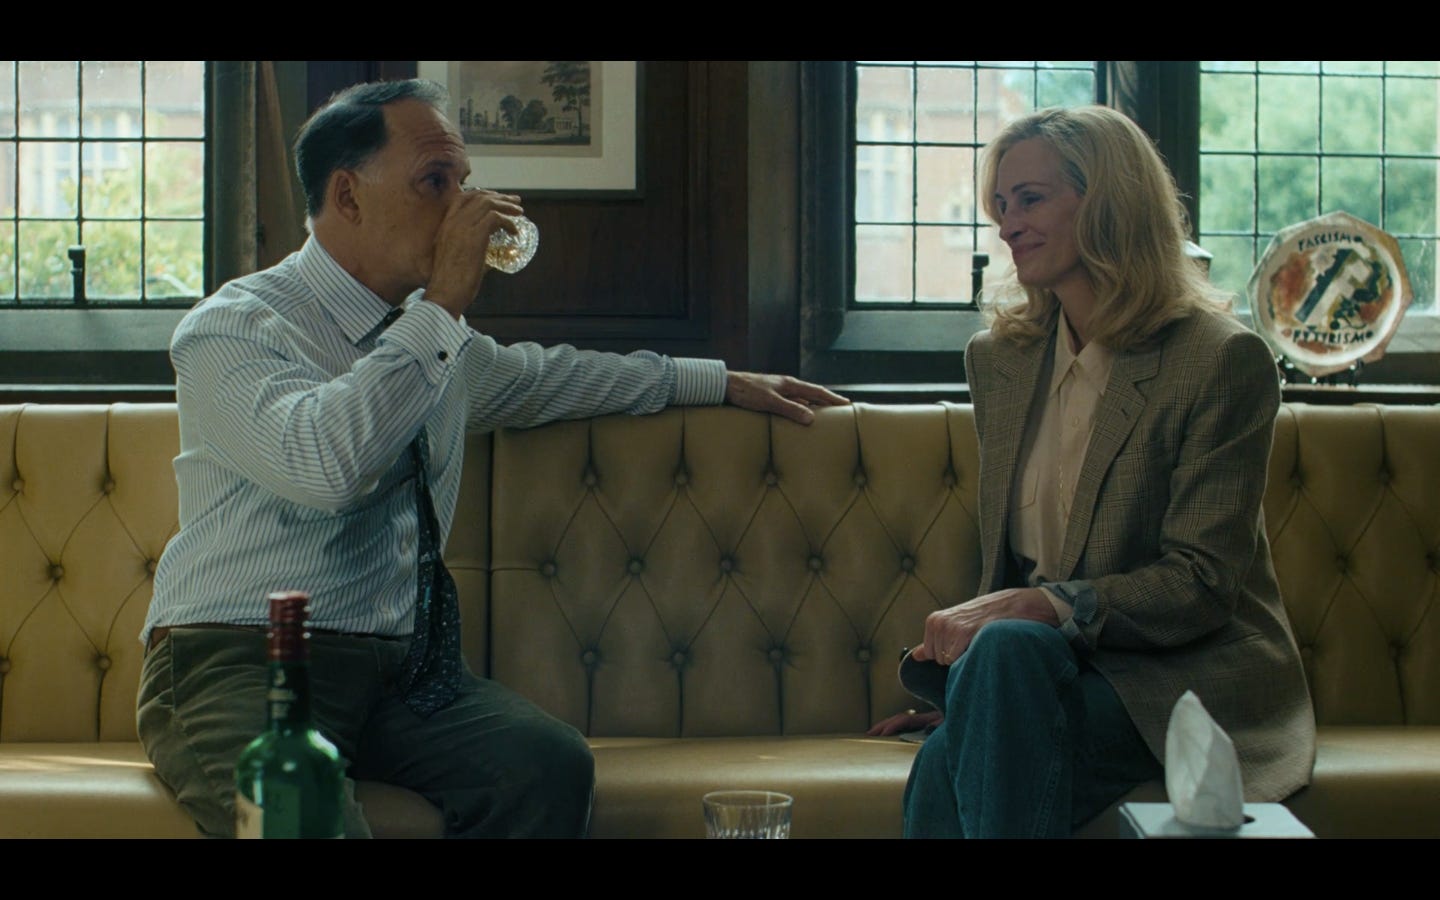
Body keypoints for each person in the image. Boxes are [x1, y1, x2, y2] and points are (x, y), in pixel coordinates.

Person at [136, 77, 849, 839]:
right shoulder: (235, 327)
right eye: (435, 182)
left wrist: (719, 379)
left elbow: (554, 376)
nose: (466, 208)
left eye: (464, 182)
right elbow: (324, 466)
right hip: (240, 659)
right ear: (347, 196)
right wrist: (442, 303)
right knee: (300, 817)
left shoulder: (438, 346)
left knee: (544, 764)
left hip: (400, 676)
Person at [868, 105, 1315, 838]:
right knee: (988, 687)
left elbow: (1201, 583)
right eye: (1001, 205)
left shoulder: (1218, 359)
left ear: (1109, 201)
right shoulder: (1001, 359)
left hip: (1179, 676)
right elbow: (1012, 572)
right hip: (1034, 669)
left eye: (1030, 199)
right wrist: (984, 694)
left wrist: (1038, 619)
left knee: (953, 752)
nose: (1007, 226)